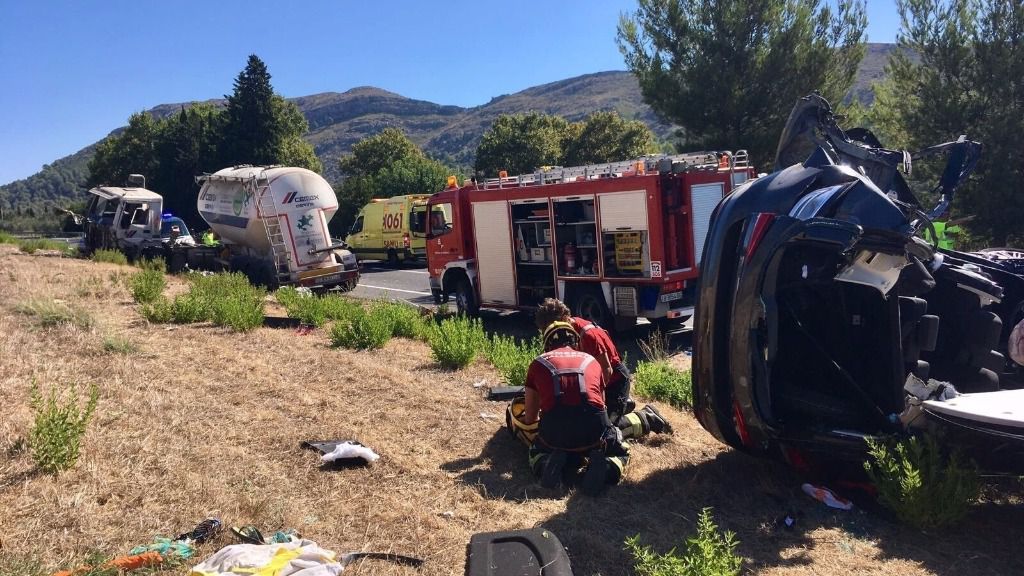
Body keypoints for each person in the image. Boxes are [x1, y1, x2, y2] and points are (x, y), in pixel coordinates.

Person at [511, 321, 671, 496]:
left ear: (547, 345)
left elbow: (530, 419)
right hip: (593, 433)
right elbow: (601, 406)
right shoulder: (591, 361)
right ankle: (609, 467)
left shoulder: (538, 363)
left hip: (555, 435)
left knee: (537, 449)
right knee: (616, 445)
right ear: (576, 342)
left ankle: (545, 464)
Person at [533, 298, 636, 421]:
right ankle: (621, 406)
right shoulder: (562, 336)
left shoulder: (589, 335)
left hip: (614, 382)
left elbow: (606, 371)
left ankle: (644, 417)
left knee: (605, 428)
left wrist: (597, 402)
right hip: (591, 382)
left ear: (565, 319)